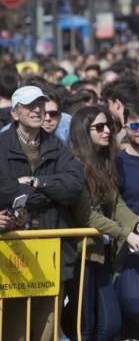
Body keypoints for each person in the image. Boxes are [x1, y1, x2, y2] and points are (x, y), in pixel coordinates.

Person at [0, 85, 85, 341]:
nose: (37, 110)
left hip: (51, 249)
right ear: (15, 113)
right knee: (13, 330)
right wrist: (48, 192)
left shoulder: (57, 146)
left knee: (46, 331)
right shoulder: (1, 146)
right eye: (29, 105)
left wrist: (37, 184)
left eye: (40, 104)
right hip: (11, 252)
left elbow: (73, 185)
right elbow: (6, 190)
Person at [69, 106, 139, 341]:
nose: (107, 131)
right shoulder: (74, 164)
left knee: (110, 324)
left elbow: (116, 203)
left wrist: (136, 224)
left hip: (102, 252)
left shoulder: (105, 161)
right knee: (84, 326)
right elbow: (88, 215)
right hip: (81, 254)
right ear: (83, 131)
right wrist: (126, 234)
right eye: (99, 127)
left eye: (109, 125)